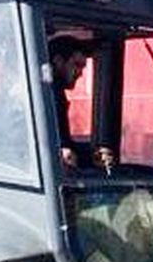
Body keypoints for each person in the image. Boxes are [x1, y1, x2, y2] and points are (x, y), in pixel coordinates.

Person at [47, 35, 115, 172]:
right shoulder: (41, 94)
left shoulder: (56, 93)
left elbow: (65, 144)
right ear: (58, 61)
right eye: (77, 65)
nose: (80, 74)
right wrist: (56, 154)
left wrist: (92, 155)